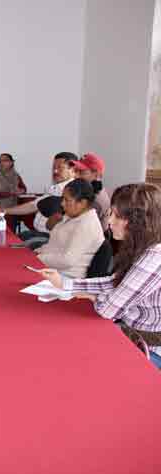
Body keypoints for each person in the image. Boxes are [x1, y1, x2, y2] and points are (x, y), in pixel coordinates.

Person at [40, 183, 161, 369]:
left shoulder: (154, 256)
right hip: (130, 336)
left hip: (148, 351)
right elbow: (114, 282)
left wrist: (94, 296)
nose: (109, 221)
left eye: (116, 216)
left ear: (138, 222)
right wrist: (66, 283)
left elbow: (109, 310)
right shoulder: (144, 247)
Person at [0, 152, 77, 249]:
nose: (55, 171)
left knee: (10, 247)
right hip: (38, 233)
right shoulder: (55, 188)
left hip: (51, 239)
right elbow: (33, 205)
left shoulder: (73, 192)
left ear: (73, 169)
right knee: (7, 240)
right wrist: (4, 210)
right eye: (54, 167)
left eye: (60, 168)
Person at [36, 179, 105, 278]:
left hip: (66, 276)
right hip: (51, 268)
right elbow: (54, 244)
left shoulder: (87, 224)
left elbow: (67, 260)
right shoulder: (72, 215)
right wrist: (38, 252)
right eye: (62, 199)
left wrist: (38, 258)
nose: (62, 203)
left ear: (83, 203)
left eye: (67, 200)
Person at [71, 152, 111, 225]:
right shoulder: (84, 191)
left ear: (96, 174)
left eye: (81, 172)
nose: (76, 176)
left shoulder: (96, 201)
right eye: (76, 170)